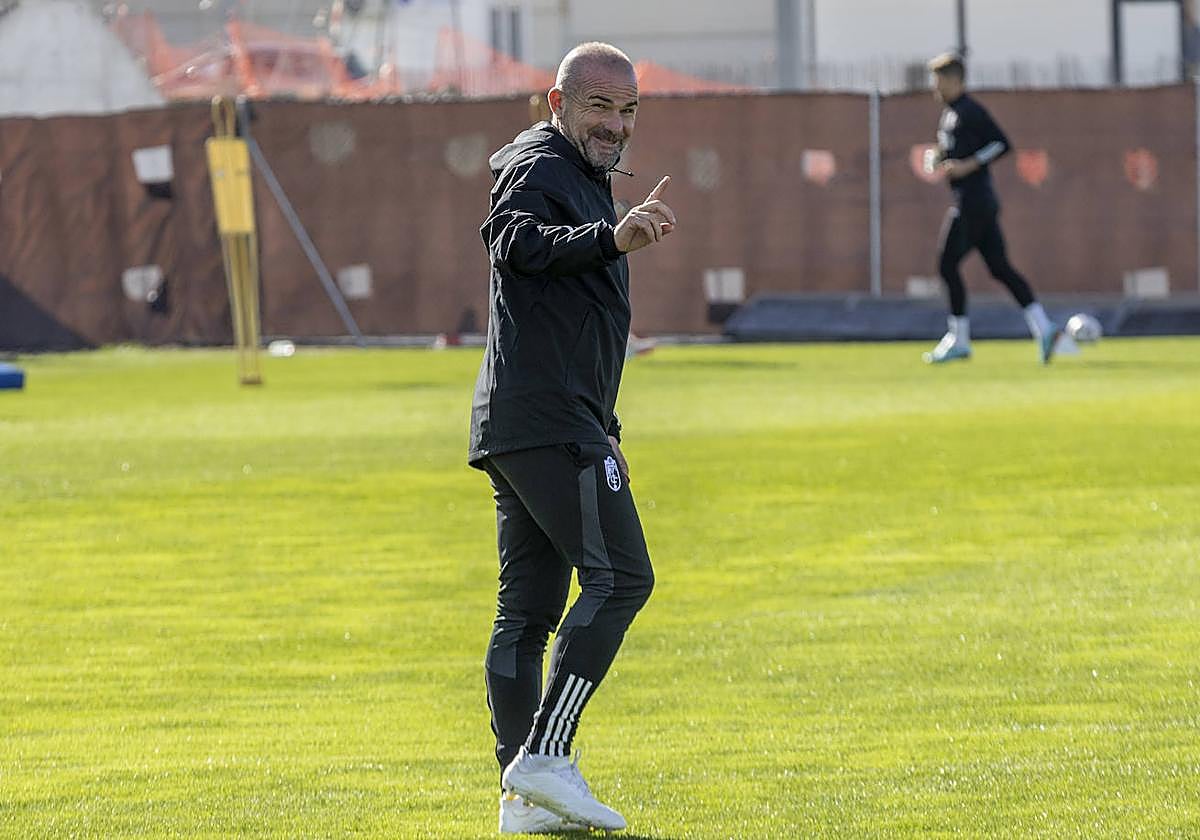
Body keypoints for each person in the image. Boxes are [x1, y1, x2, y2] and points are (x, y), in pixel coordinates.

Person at [468, 41, 676, 835]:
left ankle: (521, 800)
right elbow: (511, 242)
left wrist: (608, 424)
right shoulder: (538, 165)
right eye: (600, 107)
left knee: (525, 613)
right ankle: (545, 760)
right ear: (557, 104)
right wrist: (609, 240)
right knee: (623, 579)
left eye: (627, 112)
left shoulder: (581, 177)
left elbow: (577, 321)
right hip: (547, 421)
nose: (616, 127)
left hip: (532, 419)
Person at [923, 53, 1061, 364]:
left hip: (973, 201)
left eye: (940, 81)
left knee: (947, 265)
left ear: (956, 81)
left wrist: (967, 165)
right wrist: (940, 158)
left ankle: (959, 339)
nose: (935, 87)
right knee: (999, 267)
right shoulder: (950, 114)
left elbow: (1000, 144)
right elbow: (954, 150)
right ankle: (1045, 327)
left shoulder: (970, 110)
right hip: (976, 203)